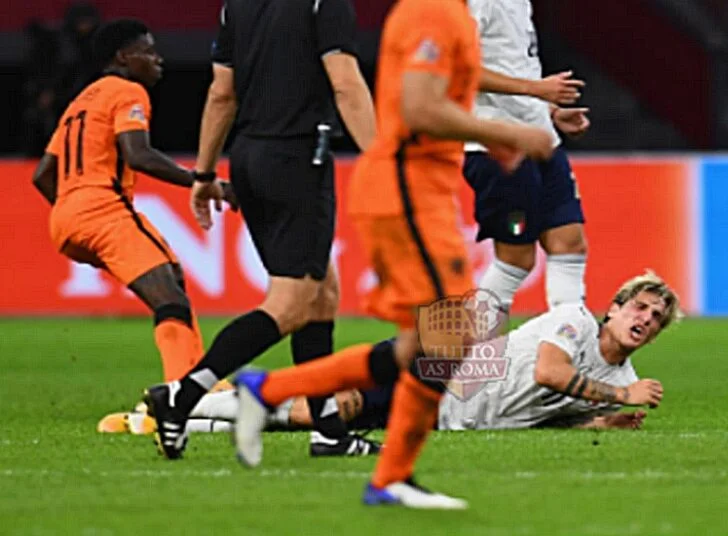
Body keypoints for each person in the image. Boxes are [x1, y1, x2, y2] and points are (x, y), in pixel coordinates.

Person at [147, 0, 554, 510]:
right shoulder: (432, 13)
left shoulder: (440, 14)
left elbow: (222, 91)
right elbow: (416, 106)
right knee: (441, 334)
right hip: (394, 184)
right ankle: (368, 463)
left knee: (408, 338)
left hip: (331, 169)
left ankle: (290, 405)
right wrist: (509, 133)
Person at [144, 0, 379, 458]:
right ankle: (183, 397)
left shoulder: (239, 6)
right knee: (291, 303)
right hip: (297, 159)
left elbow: (221, 94)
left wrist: (205, 174)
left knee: (321, 291)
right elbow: (347, 85)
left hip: (250, 158)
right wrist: (382, 161)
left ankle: (328, 429)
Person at [132, 272, 676, 435]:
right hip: (451, 367)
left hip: (452, 413)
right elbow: (549, 372)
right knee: (330, 407)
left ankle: (185, 414)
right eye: (640, 308)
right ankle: (185, 401)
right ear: (615, 307)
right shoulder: (575, 318)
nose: (644, 321)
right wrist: (617, 395)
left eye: (655, 320)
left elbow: (546, 414)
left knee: (322, 418)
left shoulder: (621, 374)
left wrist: (599, 423)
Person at [31, 19, 234, 396]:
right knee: (170, 297)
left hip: (66, 218)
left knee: (171, 277)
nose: (159, 59)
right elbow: (138, 155)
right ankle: (184, 396)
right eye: (149, 51)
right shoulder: (128, 92)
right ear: (123, 57)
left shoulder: (82, 101)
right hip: (102, 209)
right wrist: (205, 182)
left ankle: (199, 383)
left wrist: (74, 208)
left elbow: (43, 175)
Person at [465, 0, 591, 314]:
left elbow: (511, 64)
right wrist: (536, 89)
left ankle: (568, 346)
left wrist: (549, 112)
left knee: (570, 244)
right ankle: (472, 355)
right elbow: (458, 69)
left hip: (542, 140)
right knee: (516, 260)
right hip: (499, 147)